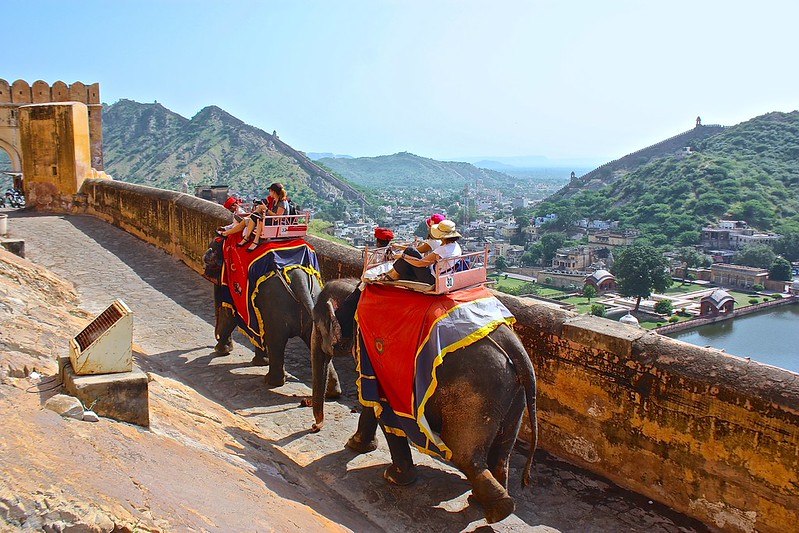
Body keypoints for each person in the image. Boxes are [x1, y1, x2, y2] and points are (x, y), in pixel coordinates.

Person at [378, 220, 462, 285]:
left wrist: (403, 256)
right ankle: (393, 274)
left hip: (432, 279)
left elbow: (421, 263)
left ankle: (393, 275)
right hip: (441, 275)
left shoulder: (444, 249)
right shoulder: (455, 246)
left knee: (410, 251)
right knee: (408, 256)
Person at [248, 183, 290, 252]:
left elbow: (277, 217)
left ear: (273, 192)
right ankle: (247, 236)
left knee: (260, 219)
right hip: (273, 220)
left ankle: (256, 240)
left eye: (270, 191)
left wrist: (266, 209)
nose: (269, 193)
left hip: (279, 223)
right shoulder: (275, 201)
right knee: (256, 216)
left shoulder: (282, 202)